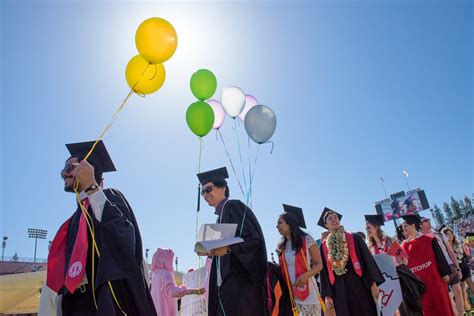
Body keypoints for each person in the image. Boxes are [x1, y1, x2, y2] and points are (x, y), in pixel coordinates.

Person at [44, 140, 156, 315]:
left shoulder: (110, 197)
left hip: (108, 301)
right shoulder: (73, 220)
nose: (63, 174)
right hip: (75, 304)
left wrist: (92, 188)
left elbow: (125, 239)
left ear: (87, 167)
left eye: (69, 167)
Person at [196, 167, 268, 316]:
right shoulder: (220, 216)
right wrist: (209, 250)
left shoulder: (233, 206)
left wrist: (228, 249)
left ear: (223, 188)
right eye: (203, 192)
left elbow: (253, 239)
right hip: (226, 281)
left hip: (240, 281)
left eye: (209, 189)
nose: (205, 195)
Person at [318, 207, 384, 316]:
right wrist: (328, 296)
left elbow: (367, 261)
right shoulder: (324, 246)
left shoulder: (354, 238)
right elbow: (324, 272)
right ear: (326, 225)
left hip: (359, 284)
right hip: (339, 290)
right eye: (330, 219)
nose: (334, 220)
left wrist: (373, 284)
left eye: (336, 217)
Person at [365, 214, 425, 316]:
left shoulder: (389, 242)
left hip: (397, 279)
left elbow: (404, 259)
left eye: (369, 228)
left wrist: (402, 271)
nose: (367, 230)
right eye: (366, 228)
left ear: (376, 227)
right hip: (383, 282)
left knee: (404, 309)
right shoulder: (370, 247)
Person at [401, 215, 453, 316]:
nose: (404, 229)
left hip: (435, 280)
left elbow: (439, 256)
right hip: (419, 285)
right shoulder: (404, 246)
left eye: (405, 226)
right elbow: (404, 266)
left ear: (413, 225)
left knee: (442, 307)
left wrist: (445, 273)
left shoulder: (429, 239)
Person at [276, 204, 323, 316]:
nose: (277, 226)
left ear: (290, 224)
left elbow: (319, 264)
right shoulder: (282, 246)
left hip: (307, 290)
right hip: (290, 292)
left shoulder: (307, 240)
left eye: (280, 223)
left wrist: (307, 275)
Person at [420, 218, 463, 316]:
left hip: (450, 265)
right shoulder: (422, 238)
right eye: (425, 221)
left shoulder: (439, 234)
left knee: (458, 290)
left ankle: (461, 314)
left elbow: (450, 251)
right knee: (447, 295)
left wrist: (458, 268)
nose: (429, 222)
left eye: (428, 220)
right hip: (438, 270)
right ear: (420, 225)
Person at [150, 248, 205, 316]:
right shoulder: (165, 273)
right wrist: (194, 291)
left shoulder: (155, 276)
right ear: (165, 260)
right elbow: (172, 291)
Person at [443, 227, 473, 312]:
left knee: (471, 286)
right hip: (455, 269)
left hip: (464, 266)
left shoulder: (458, 243)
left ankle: (467, 309)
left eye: (450, 233)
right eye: (447, 234)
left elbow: (465, 254)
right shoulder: (444, 247)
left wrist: (469, 256)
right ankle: (467, 310)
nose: (450, 235)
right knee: (462, 291)